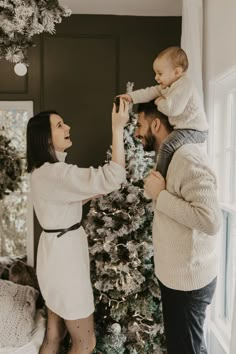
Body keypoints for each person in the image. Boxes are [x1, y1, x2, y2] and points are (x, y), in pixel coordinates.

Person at [26, 99, 129, 354]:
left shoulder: (40, 172)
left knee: (55, 334)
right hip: (66, 264)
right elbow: (115, 175)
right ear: (46, 139)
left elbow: (59, 203)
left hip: (52, 257)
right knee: (86, 342)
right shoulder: (58, 173)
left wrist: (89, 192)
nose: (67, 127)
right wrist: (118, 128)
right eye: (59, 125)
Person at [134, 100, 221, 354]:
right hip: (177, 279)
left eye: (139, 125)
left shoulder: (186, 158)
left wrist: (160, 196)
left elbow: (211, 220)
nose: (137, 132)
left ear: (156, 123)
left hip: (189, 283)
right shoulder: (169, 156)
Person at [119, 46, 208, 178]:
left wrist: (159, 102)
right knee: (167, 148)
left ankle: (159, 177)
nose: (156, 77)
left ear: (177, 72)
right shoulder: (167, 86)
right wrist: (131, 97)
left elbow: (172, 109)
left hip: (194, 130)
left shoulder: (185, 85)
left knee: (166, 146)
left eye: (160, 73)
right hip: (183, 128)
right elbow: (148, 92)